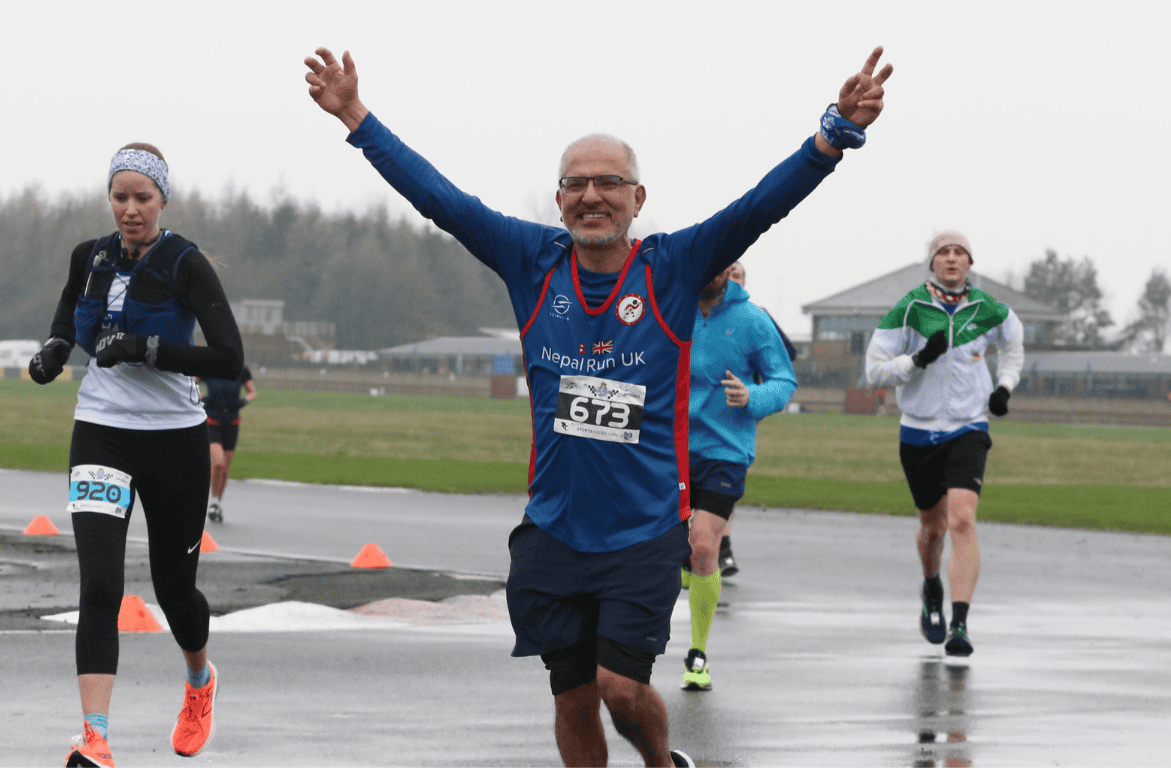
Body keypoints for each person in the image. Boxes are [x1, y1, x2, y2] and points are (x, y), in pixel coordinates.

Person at [304, 44, 890, 767]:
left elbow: (758, 209)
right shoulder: (531, 260)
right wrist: (355, 115)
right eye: (576, 184)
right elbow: (442, 201)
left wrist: (831, 136)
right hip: (553, 530)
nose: (591, 196)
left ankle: (662, 762)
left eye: (610, 183)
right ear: (558, 200)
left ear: (637, 199)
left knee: (620, 688)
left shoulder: (672, 266)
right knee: (574, 702)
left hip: (643, 531)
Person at [28, 142, 244, 767]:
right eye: (119, 197)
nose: (129, 209)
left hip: (176, 437)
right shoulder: (88, 257)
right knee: (100, 585)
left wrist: (148, 348)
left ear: (163, 200)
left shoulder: (187, 264)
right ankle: (93, 738)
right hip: (101, 431)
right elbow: (68, 322)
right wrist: (52, 351)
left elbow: (228, 358)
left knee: (176, 592)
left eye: (141, 198)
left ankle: (200, 681)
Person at [864, 230, 1023, 658]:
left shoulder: (990, 309)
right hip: (917, 431)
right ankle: (931, 586)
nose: (952, 259)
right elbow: (875, 371)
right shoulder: (909, 308)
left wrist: (1004, 387)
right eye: (943, 253)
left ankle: (960, 624)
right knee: (932, 530)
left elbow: (1013, 349)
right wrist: (916, 360)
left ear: (970, 263)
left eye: (960, 253)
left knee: (963, 521)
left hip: (968, 427)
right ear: (932, 263)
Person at [681, 264, 796, 691]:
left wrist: (753, 396)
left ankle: (697, 652)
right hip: (668, 448)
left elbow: (784, 380)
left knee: (704, 543)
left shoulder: (752, 319)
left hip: (724, 451)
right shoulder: (671, 308)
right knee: (660, 548)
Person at [716, 261, 798, 577]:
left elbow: (785, 355)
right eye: (728, 270)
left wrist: (755, 391)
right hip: (698, 415)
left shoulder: (754, 315)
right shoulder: (696, 311)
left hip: (739, 407)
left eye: (737, 273)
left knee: (723, 481)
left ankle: (722, 546)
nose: (731, 276)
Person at [202, 365, 256, 523]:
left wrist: (242, 402)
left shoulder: (241, 370)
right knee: (218, 462)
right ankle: (212, 500)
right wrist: (203, 397)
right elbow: (189, 384)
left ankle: (217, 503)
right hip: (212, 421)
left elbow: (252, 392)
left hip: (232, 423)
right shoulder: (210, 367)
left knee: (225, 467)